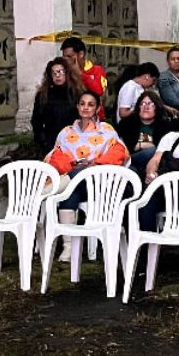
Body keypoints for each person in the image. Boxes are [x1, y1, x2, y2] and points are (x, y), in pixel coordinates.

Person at [45, 92, 129, 260]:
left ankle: (43, 192)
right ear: (77, 106)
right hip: (75, 182)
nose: (86, 108)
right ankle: (68, 247)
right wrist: (73, 165)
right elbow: (56, 155)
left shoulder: (106, 130)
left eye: (90, 104)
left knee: (81, 175)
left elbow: (120, 153)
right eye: (82, 104)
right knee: (70, 193)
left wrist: (95, 164)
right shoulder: (66, 132)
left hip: (98, 183)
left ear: (97, 108)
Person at [116, 91, 175, 179]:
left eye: (150, 104)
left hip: (156, 163)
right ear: (138, 107)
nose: (146, 107)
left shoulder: (165, 125)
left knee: (152, 152)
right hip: (130, 159)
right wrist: (144, 145)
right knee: (150, 151)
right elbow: (125, 147)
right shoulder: (127, 122)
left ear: (157, 107)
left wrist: (140, 145)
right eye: (142, 104)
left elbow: (163, 149)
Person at [31, 57, 83, 153]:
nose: (57, 76)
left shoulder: (77, 93)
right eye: (54, 73)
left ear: (67, 73)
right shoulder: (43, 94)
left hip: (74, 142)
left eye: (60, 72)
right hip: (51, 143)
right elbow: (36, 120)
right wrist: (42, 140)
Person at [62, 37, 107, 109]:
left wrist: (80, 74)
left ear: (81, 54)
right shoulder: (64, 71)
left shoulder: (97, 70)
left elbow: (98, 92)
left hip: (93, 116)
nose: (66, 60)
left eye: (69, 56)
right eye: (64, 57)